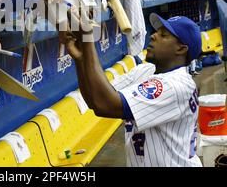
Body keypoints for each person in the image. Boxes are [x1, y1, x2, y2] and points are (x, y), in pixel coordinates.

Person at [61, 13, 202, 166]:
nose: (154, 35)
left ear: (181, 49)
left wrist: (87, 41)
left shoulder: (175, 85)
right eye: (156, 31)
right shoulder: (146, 70)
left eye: (163, 35)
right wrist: (81, 59)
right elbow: (95, 99)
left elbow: (105, 105)